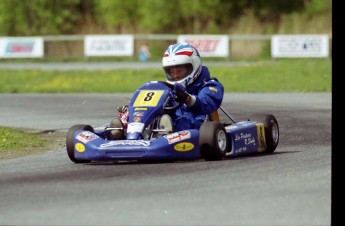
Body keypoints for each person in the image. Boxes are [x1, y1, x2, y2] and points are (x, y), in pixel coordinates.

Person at [110, 42, 224, 138]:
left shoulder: (210, 85)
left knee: (181, 121)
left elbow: (205, 104)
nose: (175, 76)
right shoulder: (169, 89)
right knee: (152, 114)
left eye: (179, 71)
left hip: (196, 125)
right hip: (166, 120)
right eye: (171, 72)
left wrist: (187, 98)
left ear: (194, 66)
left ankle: (166, 130)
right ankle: (123, 128)